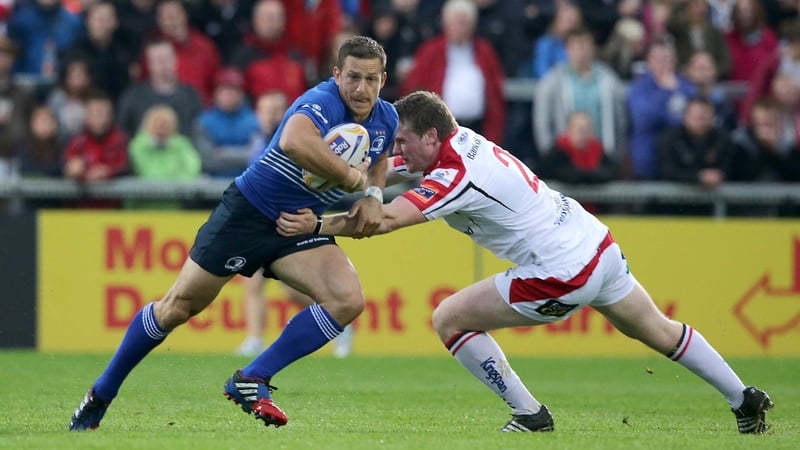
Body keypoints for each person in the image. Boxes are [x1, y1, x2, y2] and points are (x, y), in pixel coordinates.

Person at [276, 90, 774, 434]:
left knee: (449, 318)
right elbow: (387, 166)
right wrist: (346, 170)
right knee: (660, 331)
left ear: (431, 136)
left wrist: (316, 225)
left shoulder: (453, 174)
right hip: (595, 243)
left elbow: (381, 221)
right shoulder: (457, 140)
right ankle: (743, 396)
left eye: (404, 139)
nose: (397, 147)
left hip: (561, 269)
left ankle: (530, 414)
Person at [68, 35, 398, 431]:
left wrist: (375, 194)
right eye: (353, 78)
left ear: (383, 79)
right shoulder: (324, 100)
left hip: (296, 224)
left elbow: (378, 157)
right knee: (177, 308)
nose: (361, 89)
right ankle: (101, 393)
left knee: (347, 300)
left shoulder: (386, 117)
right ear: (336, 75)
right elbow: (294, 140)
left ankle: (252, 378)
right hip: (249, 211)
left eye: (371, 80)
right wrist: (349, 177)